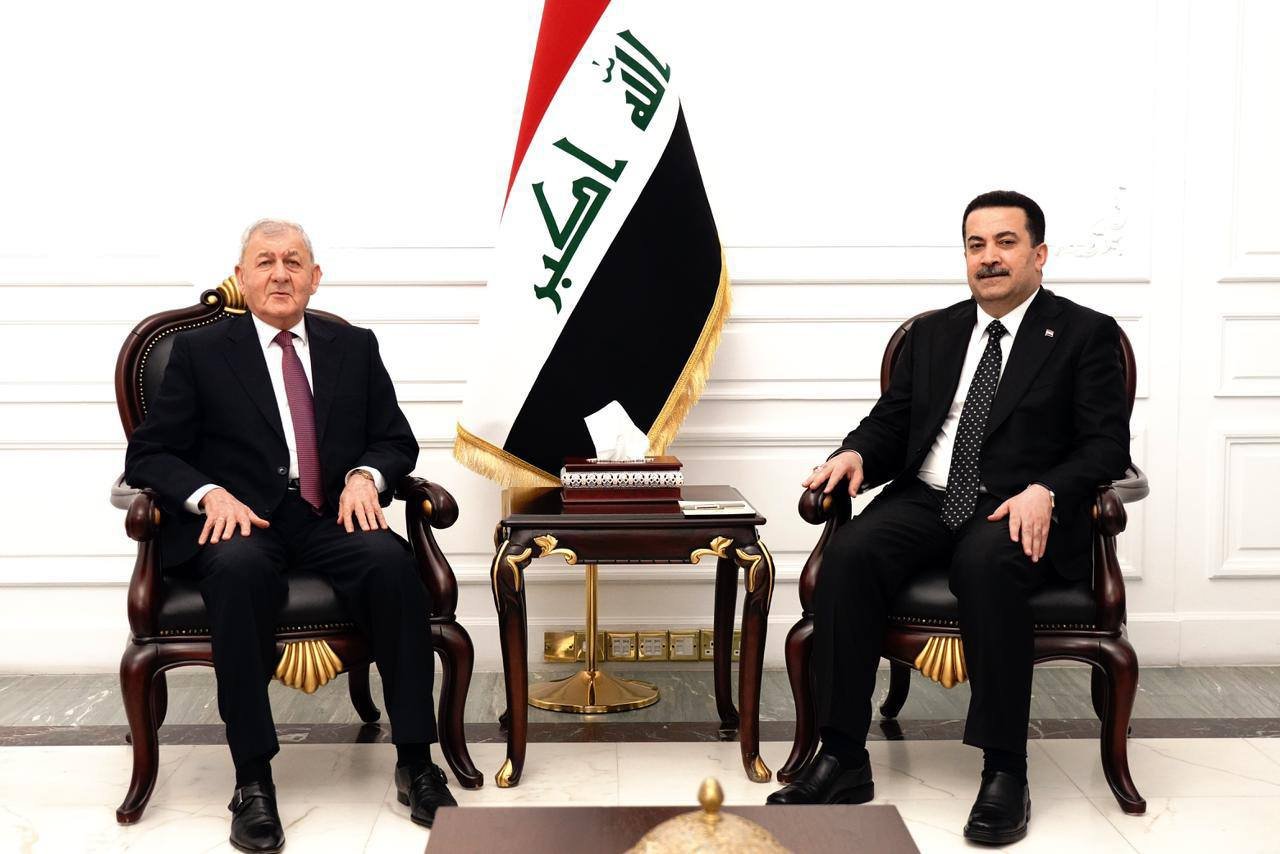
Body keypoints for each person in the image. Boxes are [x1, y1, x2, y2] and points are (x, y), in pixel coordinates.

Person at [767, 191, 1131, 845]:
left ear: (1039, 254)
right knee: (850, 554)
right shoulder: (934, 333)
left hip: (1014, 505)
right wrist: (854, 453)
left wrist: (1048, 489)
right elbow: (892, 421)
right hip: (928, 497)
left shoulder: (1084, 333)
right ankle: (842, 756)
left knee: (986, 563)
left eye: (1006, 242)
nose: (989, 257)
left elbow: (1105, 447)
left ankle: (1005, 770)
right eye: (975, 244)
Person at [124, 219, 455, 852]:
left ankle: (417, 762)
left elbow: (395, 440)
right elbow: (150, 454)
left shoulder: (354, 347)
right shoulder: (199, 352)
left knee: (391, 565)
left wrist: (365, 476)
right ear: (242, 276)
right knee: (239, 571)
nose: (280, 273)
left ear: (314, 276)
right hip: (242, 519)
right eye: (266, 261)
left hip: (331, 515)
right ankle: (252, 780)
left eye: (294, 261)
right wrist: (207, 494)